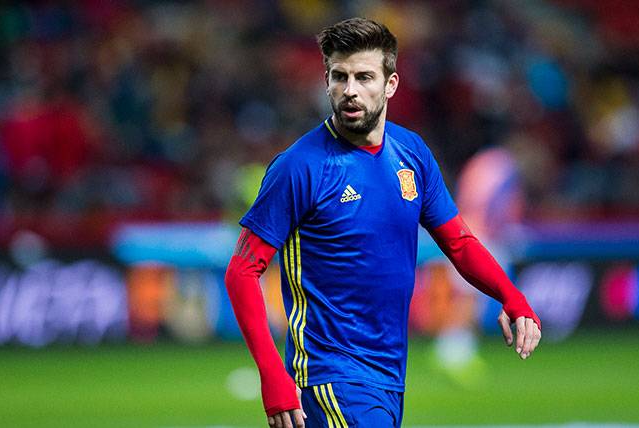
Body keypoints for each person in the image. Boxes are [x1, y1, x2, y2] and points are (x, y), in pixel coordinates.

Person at [224, 18, 541, 428]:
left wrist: (511, 297)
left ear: (391, 84)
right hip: (328, 377)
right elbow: (241, 271)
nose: (350, 90)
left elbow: (458, 242)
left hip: (388, 376)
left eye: (364, 77)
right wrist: (273, 376)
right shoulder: (299, 167)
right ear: (326, 81)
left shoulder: (412, 154)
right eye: (339, 77)